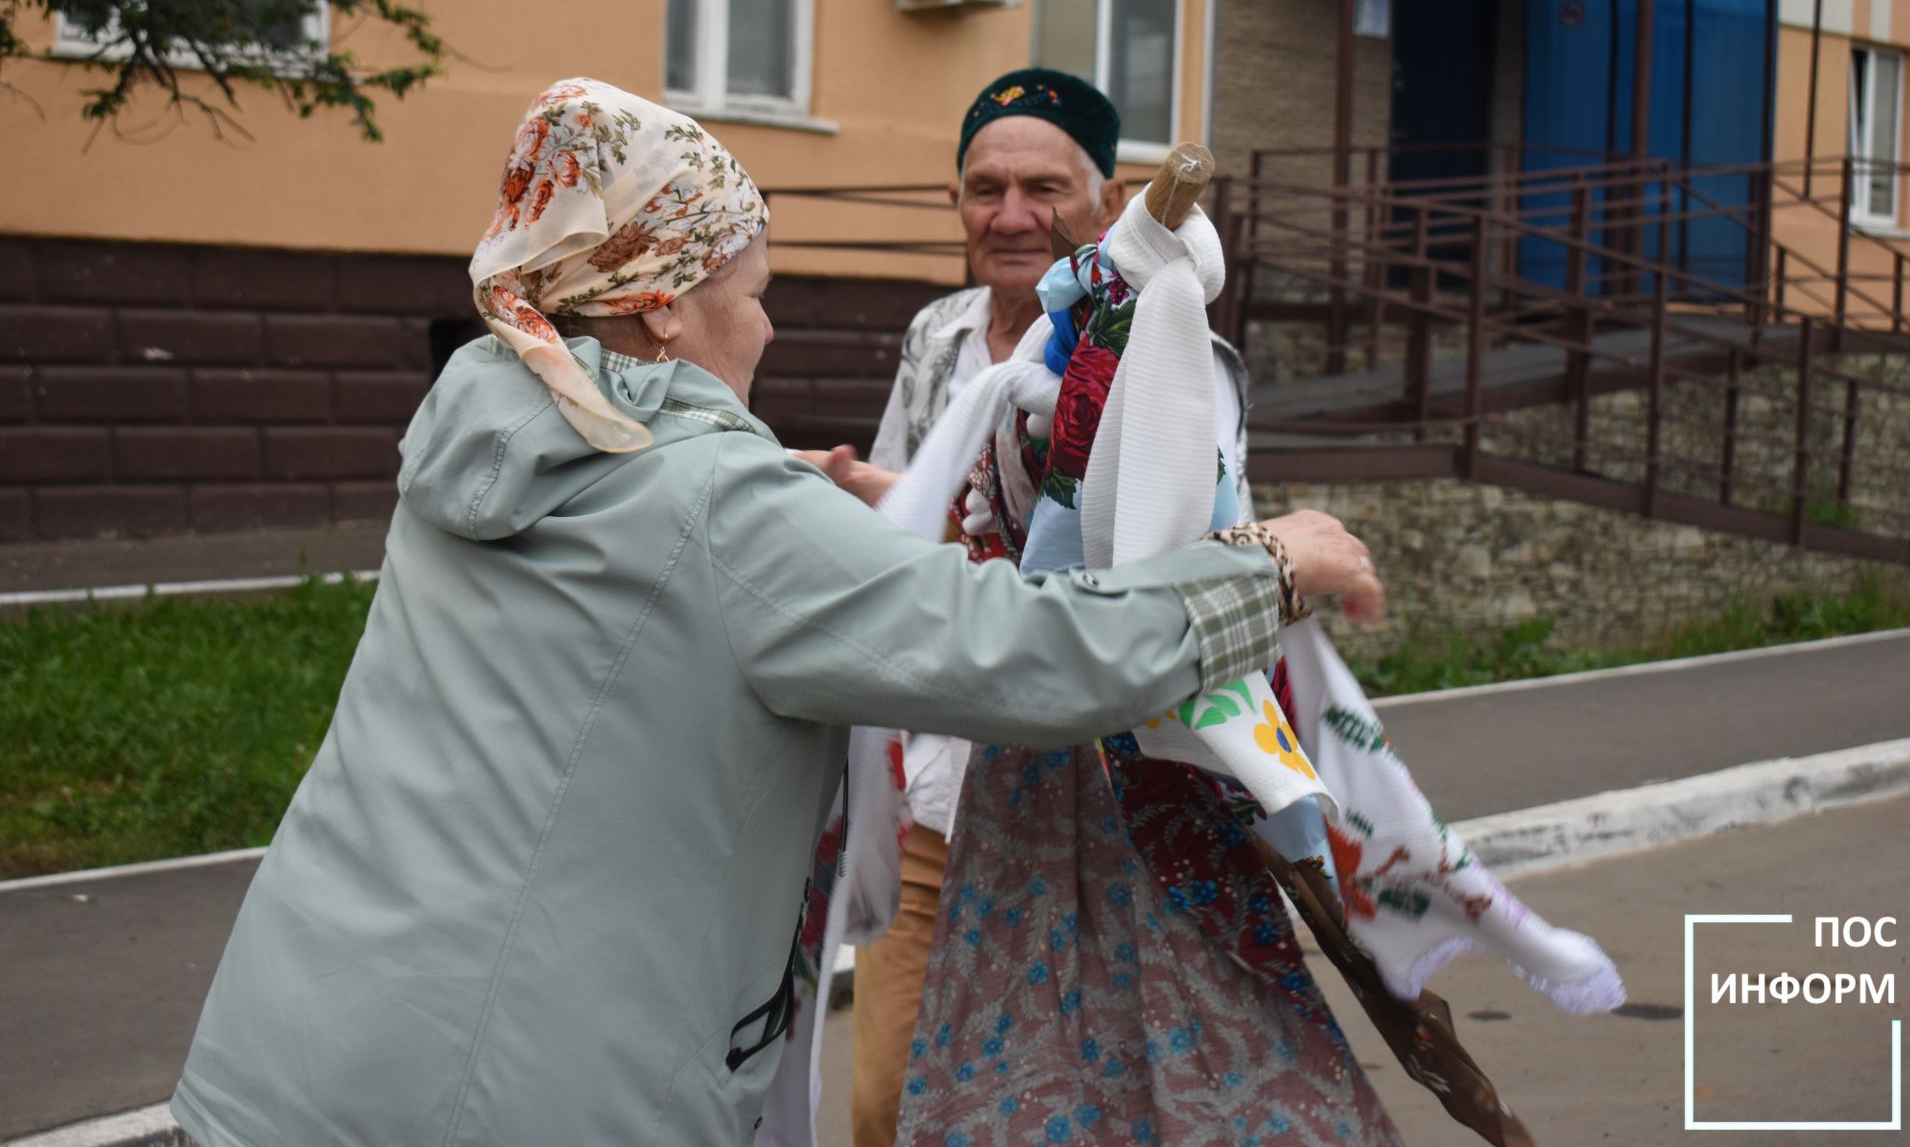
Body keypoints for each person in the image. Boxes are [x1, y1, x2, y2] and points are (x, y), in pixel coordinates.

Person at [166, 78, 1384, 1147]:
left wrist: (791, 511)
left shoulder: (477, 433)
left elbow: (641, 593)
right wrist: (1265, 564)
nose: (768, 323)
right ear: (659, 307)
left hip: (285, 1054)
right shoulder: (714, 507)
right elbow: (1030, 652)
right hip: (518, 1097)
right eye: (750, 292)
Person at [853, 69, 1255, 1147]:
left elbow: (1169, 565)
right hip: (934, 786)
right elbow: (909, 510)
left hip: (1088, 804)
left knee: (1074, 1106)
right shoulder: (938, 334)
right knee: (878, 1105)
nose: (1012, 214)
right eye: (985, 186)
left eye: (1043, 185)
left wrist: (933, 524)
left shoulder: (1172, 354)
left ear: (1107, 193)